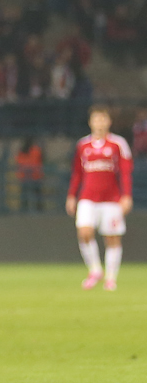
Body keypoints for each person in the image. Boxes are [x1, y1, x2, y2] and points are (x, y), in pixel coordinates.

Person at [66, 106, 133, 291]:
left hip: (111, 199)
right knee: (84, 232)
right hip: (87, 197)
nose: (100, 123)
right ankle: (95, 270)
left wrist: (126, 195)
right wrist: (71, 195)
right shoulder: (83, 145)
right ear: (90, 122)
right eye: (96, 119)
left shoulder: (118, 143)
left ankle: (111, 278)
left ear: (109, 122)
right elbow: (77, 173)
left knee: (112, 238)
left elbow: (125, 172)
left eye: (103, 119)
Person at [15, 136, 43, 212]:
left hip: (27, 177)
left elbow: (19, 162)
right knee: (36, 195)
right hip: (34, 177)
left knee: (27, 195)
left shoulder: (22, 151)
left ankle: (25, 209)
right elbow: (38, 161)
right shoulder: (35, 150)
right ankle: (37, 209)